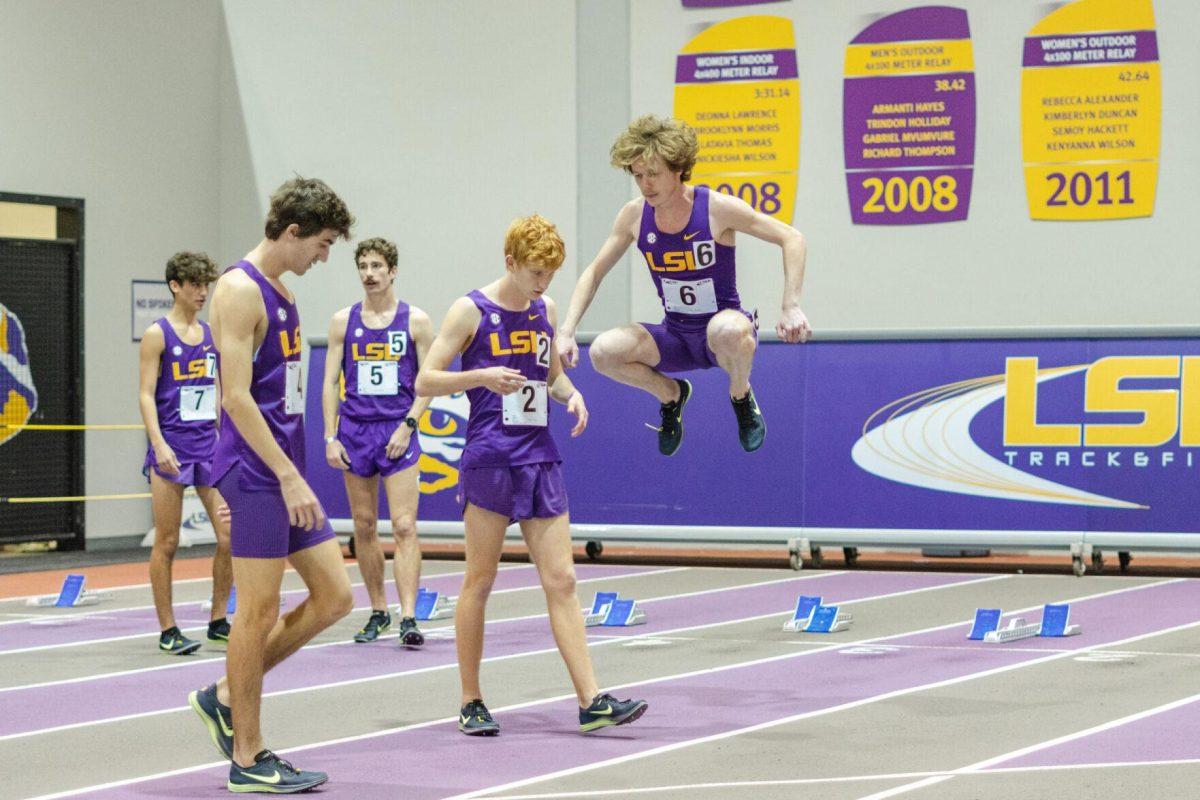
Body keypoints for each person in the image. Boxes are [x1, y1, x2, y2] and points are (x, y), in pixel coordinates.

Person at [416, 214, 647, 736]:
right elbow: (426, 378)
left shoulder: (545, 309)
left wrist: (573, 394)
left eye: (550, 274)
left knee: (562, 579)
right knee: (480, 580)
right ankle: (471, 699)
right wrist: (479, 376)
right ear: (511, 263)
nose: (543, 283)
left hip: (539, 456)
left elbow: (550, 375)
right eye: (535, 272)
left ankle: (591, 700)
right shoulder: (468, 310)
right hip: (490, 457)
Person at [187, 177, 355, 794]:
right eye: (323, 243)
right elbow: (234, 396)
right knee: (255, 611)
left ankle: (226, 694)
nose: (325, 255)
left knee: (335, 597)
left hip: (285, 470)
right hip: (257, 473)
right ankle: (248, 756)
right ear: (292, 232)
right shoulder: (236, 290)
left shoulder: (283, 293)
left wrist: (296, 469)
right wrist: (285, 475)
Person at [556, 114, 812, 455]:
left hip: (721, 334)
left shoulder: (716, 209)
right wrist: (567, 330)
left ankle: (740, 395)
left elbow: (792, 238)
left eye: (654, 174)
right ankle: (671, 395)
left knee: (728, 329)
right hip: (675, 336)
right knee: (603, 351)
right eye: (639, 176)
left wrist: (790, 305)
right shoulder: (633, 216)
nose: (646, 185)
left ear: (678, 169)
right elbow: (594, 272)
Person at [322, 237, 434, 646]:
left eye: (376, 266)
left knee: (404, 525)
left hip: (396, 431)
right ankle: (377, 610)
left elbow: (428, 382)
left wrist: (408, 425)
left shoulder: (416, 321)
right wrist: (331, 436)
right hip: (355, 432)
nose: (369, 274)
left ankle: (408, 617)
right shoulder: (342, 322)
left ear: (392, 271)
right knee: (365, 526)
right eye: (363, 266)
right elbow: (330, 384)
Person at [137, 251, 233, 655]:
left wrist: (227, 439)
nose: (202, 292)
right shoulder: (157, 334)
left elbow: (222, 392)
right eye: (194, 284)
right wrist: (158, 444)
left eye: (206, 284)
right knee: (169, 540)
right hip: (171, 447)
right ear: (175, 285)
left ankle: (217, 619)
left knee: (229, 535)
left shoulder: (212, 334)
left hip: (208, 446)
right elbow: (144, 393)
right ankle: (168, 628)